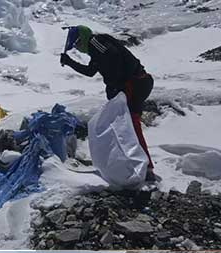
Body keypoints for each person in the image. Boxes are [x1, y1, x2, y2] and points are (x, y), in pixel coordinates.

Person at [61, 25, 158, 182]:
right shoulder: (96, 50)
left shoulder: (95, 42)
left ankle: (146, 168)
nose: (78, 48)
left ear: (83, 38)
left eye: (77, 43)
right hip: (136, 83)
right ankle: (135, 164)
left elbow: (113, 56)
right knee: (125, 126)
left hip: (134, 84)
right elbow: (91, 71)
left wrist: (114, 84)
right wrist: (69, 62)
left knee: (131, 126)